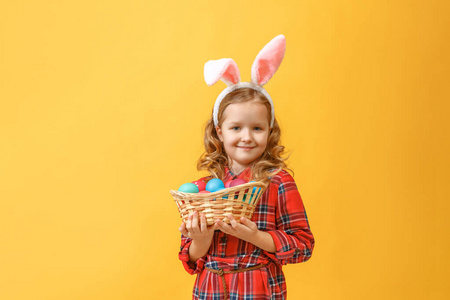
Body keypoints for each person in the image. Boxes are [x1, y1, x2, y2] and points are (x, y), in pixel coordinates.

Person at [178, 35, 315, 300]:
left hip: (260, 289)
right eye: (236, 127)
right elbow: (190, 259)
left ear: (269, 131)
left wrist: (257, 237)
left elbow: (303, 245)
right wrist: (202, 239)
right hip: (211, 290)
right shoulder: (202, 189)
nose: (247, 137)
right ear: (219, 131)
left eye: (257, 128)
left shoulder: (278, 182)